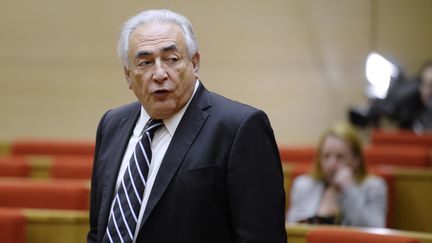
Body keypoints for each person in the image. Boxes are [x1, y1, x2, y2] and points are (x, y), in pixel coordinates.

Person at [87, 9, 287, 243]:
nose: (160, 74)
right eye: (145, 63)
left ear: (194, 63)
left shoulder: (239, 128)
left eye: (172, 59)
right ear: (128, 76)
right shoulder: (112, 124)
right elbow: (98, 230)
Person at [286, 123, 387, 227]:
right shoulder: (303, 185)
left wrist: (349, 190)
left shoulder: (374, 187)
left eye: (340, 157)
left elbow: (374, 231)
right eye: (326, 156)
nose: (331, 164)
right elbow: (292, 231)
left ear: (356, 160)